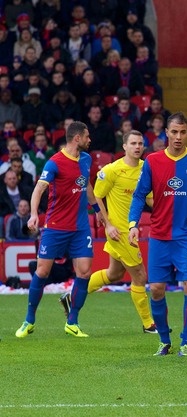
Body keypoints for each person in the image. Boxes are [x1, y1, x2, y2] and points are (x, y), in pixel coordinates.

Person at [128, 112, 187, 356]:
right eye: (174, 132)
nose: (178, 137)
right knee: (156, 289)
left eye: (183, 132)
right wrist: (133, 224)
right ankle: (164, 341)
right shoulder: (152, 161)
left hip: (186, 237)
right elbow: (139, 194)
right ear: (166, 133)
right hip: (159, 237)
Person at [61, 130, 157, 333]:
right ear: (124, 147)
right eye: (133, 143)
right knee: (140, 275)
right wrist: (108, 225)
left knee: (114, 274)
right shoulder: (112, 170)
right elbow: (96, 197)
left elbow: (148, 198)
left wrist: (168, 204)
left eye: (140, 143)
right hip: (119, 231)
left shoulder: (144, 168)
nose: (138, 147)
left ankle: (72, 297)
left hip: (131, 229)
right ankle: (149, 324)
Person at [15, 121, 103, 339]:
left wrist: (97, 209)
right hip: (55, 227)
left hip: (80, 228)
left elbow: (87, 186)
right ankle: (29, 320)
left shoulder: (86, 159)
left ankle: (72, 322)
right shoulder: (54, 163)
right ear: (76, 138)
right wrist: (34, 214)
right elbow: (39, 189)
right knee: (42, 272)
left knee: (84, 272)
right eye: (87, 136)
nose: (89, 140)